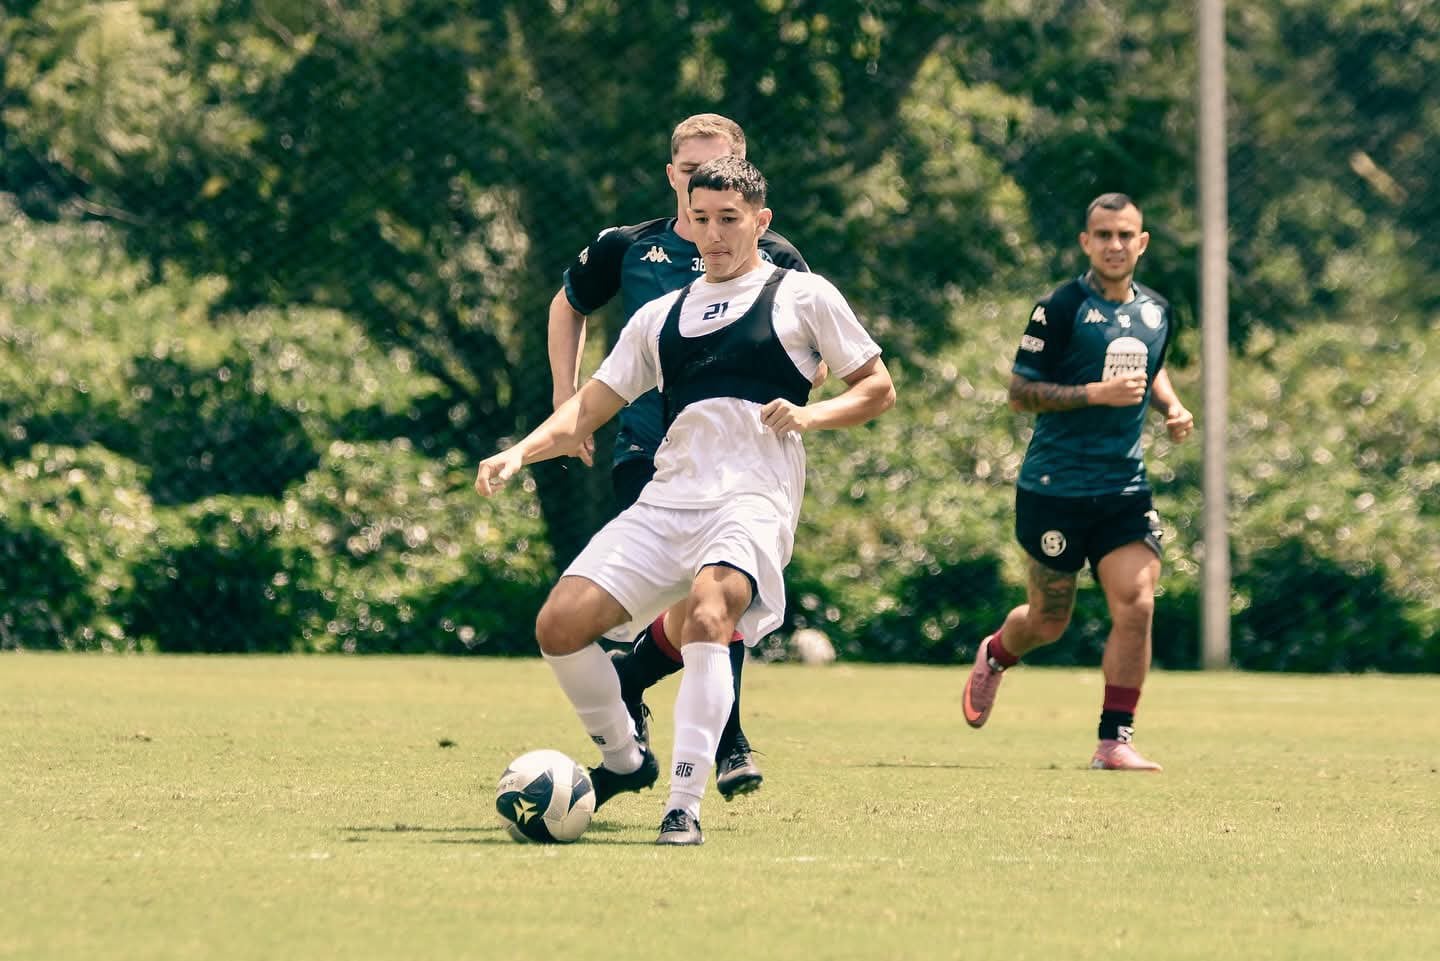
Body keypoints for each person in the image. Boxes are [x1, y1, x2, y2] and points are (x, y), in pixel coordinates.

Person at [477, 156, 895, 844]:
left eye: (730, 219)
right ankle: (625, 757)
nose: (715, 234)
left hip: (753, 496)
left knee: (708, 611)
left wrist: (809, 415)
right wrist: (519, 452)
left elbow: (877, 387)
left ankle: (684, 803)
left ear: (760, 221)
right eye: (702, 219)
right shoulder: (660, 316)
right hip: (670, 498)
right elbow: (589, 408)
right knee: (558, 625)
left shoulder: (803, 294)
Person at [547, 113, 811, 800]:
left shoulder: (776, 257)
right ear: (673, 176)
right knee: (700, 595)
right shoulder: (631, 247)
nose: (704, 183)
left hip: (739, 461)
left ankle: (654, 693)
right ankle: (717, 740)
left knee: (716, 590)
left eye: (718, 170)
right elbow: (568, 303)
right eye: (692, 171)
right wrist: (565, 400)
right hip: (650, 449)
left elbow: (801, 347)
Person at [962, 192, 1194, 771]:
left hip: (1123, 487)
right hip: (1054, 488)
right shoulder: (1059, 308)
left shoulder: (1157, 311)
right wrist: (1095, 394)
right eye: (1103, 235)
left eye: (1125, 235)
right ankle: (996, 654)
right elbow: (1020, 394)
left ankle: (1114, 740)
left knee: (1137, 604)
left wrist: (1171, 406)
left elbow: (1151, 367)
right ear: (1086, 242)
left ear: (1141, 243)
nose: (1115, 245)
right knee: (1048, 621)